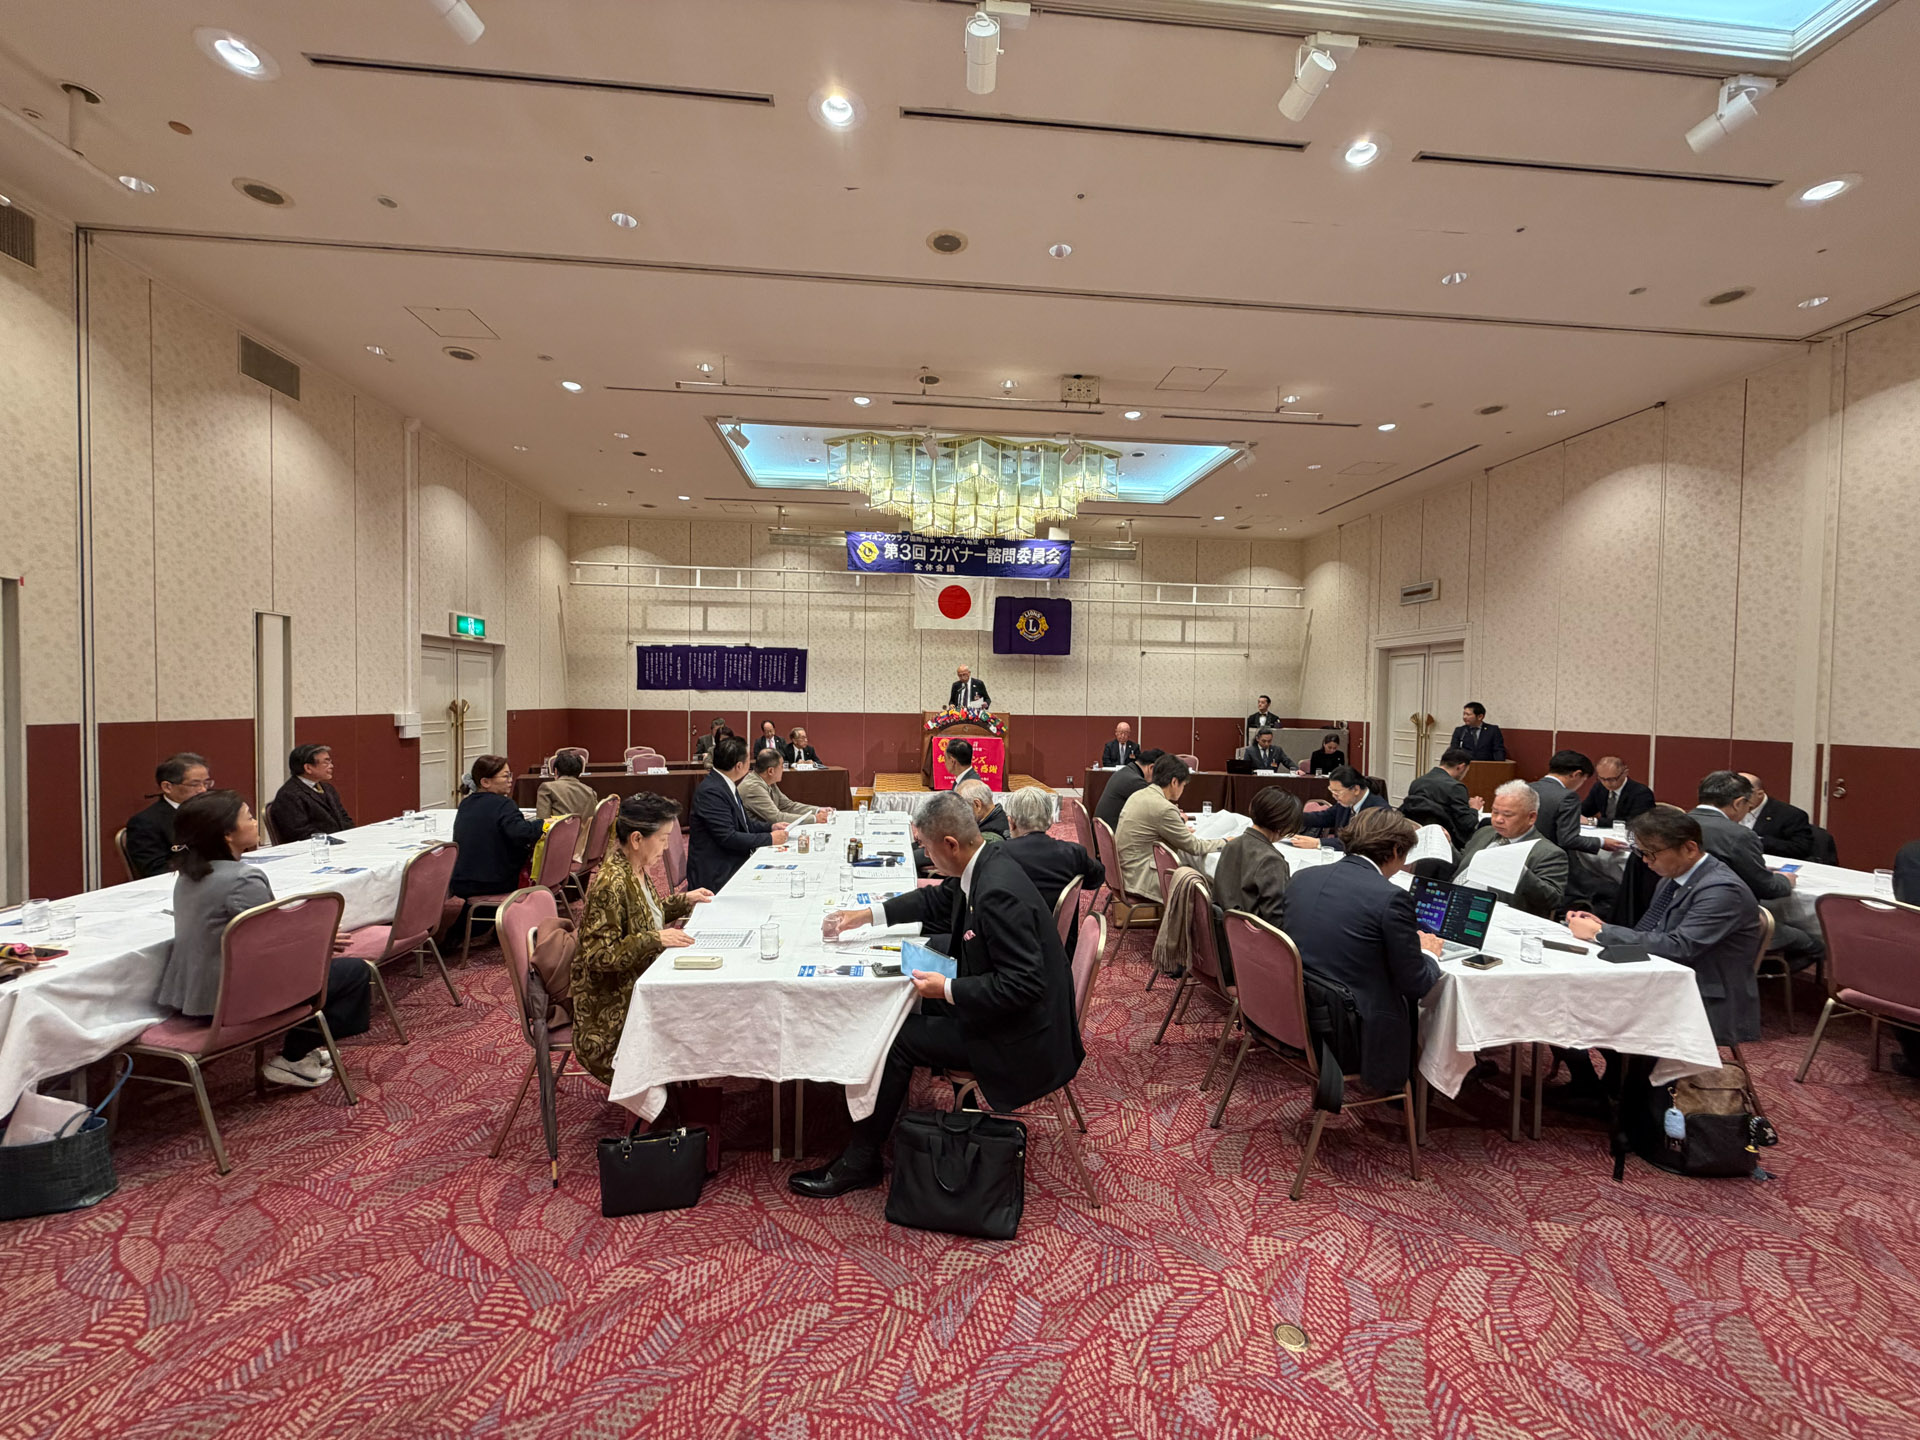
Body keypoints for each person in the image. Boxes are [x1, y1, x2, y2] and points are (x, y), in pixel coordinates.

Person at [793, 792, 1082, 1198]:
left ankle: (861, 1160)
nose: (926, 857)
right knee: (914, 981)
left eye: (927, 849)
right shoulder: (986, 862)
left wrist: (946, 989)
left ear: (949, 844)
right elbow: (934, 899)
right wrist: (866, 916)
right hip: (1014, 1014)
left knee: (895, 1038)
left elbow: (1023, 985)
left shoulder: (997, 891)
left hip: (1022, 1037)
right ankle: (914, 1111)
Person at [156, 789, 370, 1089]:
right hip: (231, 997)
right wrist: (319, 942)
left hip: (194, 991)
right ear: (227, 834)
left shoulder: (189, 873)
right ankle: (294, 1057)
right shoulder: (243, 878)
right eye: (249, 817)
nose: (257, 822)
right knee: (354, 972)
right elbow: (273, 946)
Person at [1566, 807, 1764, 1047]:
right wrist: (1603, 927)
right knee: (1569, 1002)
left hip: (1704, 995)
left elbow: (1680, 947)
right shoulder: (1672, 879)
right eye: (1641, 853)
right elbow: (1652, 934)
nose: (1645, 861)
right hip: (1664, 980)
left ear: (1689, 848)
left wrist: (1602, 933)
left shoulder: (1722, 890)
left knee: (1582, 1010)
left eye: (1651, 853)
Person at [1278, 808, 1442, 1094]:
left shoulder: (1302, 877)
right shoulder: (1391, 898)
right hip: (1352, 1029)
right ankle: (1417, 1093)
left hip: (1297, 1009)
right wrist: (1429, 953)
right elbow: (1416, 983)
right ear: (1396, 850)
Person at [573, 793, 715, 1084]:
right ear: (637, 839)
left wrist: (684, 900)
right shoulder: (611, 883)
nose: (666, 846)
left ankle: (687, 1088)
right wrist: (654, 939)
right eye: (662, 839)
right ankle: (674, 1093)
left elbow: (645, 916)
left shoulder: (633, 867)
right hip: (614, 1004)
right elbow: (599, 955)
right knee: (702, 1007)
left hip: (639, 978)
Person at [1689, 770, 1821, 970]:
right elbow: (1768, 888)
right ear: (1738, 803)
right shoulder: (1739, 835)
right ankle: (1762, 976)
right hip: (1733, 923)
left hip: (1686, 913)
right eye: (1748, 807)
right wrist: (1785, 880)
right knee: (1815, 944)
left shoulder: (1679, 823)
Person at [1115, 755, 1226, 901]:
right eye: (1183, 785)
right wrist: (1225, 841)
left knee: (1189, 870)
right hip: (1140, 878)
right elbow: (1195, 847)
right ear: (1174, 782)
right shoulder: (1164, 808)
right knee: (1202, 887)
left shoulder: (1138, 795)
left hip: (1125, 871)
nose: (1183, 790)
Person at [687, 735, 788, 891]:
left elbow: (744, 824)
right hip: (718, 872)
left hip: (730, 859)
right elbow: (728, 837)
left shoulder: (724, 783)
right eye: (748, 760)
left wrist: (771, 827)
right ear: (739, 766)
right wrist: (769, 838)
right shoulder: (711, 792)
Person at [1454, 780, 1569, 917]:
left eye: (1507, 815)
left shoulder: (1548, 853)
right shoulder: (1485, 833)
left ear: (1531, 817)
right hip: (1454, 904)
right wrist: (1447, 845)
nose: (1498, 819)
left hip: (1492, 916)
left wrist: (1520, 872)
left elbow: (1552, 900)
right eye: (1495, 812)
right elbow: (1461, 864)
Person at [452, 755, 545, 900]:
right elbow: (522, 833)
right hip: (494, 881)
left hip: (462, 879)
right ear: (485, 782)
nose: (510, 780)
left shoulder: (466, 803)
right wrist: (542, 824)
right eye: (505, 776)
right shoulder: (504, 804)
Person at [1000, 785, 1104, 911]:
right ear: (1050, 820)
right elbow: (1097, 878)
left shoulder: (997, 854)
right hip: (1059, 924)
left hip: (1010, 922)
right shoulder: (1074, 853)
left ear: (1011, 823)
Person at [1212, 786, 1299, 924]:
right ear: (1283, 825)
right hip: (1250, 933)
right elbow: (1276, 919)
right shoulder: (1271, 860)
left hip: (1225, 927)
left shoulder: (1232, 844)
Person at [124, 752, 211, 879]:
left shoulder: (212, 811)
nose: (203, 790)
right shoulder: (145, 822)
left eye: (206, 783)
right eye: (194, 784)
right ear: (167, 787)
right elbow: (157, 870)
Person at [1532, 750, 1601, 905]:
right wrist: (1601, 842)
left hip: (1529, 862)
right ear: (1576, 774)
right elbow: (1568, 839)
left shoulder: (1526, 788)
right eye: (1583, 780)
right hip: (1556, 869)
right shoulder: (1567, 796)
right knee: (1611, 890)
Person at [266, 743, 355, 844]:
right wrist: (336, 842)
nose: (331, 766)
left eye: (330, 762)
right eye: (325, 762)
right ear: (308, 768)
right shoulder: (289, 795)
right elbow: (301, 833)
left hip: (338, 843)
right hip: (314, 848)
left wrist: (352, 837)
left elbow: (344, 818)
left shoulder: (328, 789)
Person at [1401, 747, 1483, 848]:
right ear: (1461, 767)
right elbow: (1467, 824)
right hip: (1448, 840)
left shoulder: (1417, 782)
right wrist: (1474, 808)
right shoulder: (1456, 787)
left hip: (1418, 837)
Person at [1293, 766, 1387, 846]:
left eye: (1337, 793)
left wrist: (1318, 843)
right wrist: (1291, 817)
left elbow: (1360, 842)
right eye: (1332, 791)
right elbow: (1324, 817)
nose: (1334, 797)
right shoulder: (1348, 802)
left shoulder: (1379, 810)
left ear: (1356, 790)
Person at [739, 748, 830, 826]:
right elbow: (777, 818)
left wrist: (817, 810)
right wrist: (814, 819)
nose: (783, 769)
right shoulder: (753, 787)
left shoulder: (768, 781)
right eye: (782, 766)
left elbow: (787, 805)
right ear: (770, 771)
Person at [1739, 772, 1815, 860]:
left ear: (1759, 794)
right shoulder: (1728, 806)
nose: (1735, 800)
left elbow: (1800, 848)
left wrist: (1758, 841)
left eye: (1742, 797)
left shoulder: (1791, 815)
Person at [1094, 749, 1162, 834]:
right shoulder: (1135, 781)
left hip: (1102, 833)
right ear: (1151, 768)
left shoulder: (1126, 771)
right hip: (1112, 834)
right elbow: (1159, 811)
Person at [535, 750, 600, 837]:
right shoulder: (590, 791)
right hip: (584, 842)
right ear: (580, 772)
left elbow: (542, 823)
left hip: (558, 841)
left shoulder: (547, 788)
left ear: (555, 771)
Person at [1580, 756, 1655, 825]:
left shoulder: (1641, 793)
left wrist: (1593, 821)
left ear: (1625, 773)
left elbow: (1635, 822)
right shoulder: (1599, 787)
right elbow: (1585, 809)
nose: (1606, 783)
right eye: (1602, 779)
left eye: (1612, 779)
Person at [956, 777, 1009, 842]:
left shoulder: (987, 838)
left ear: (977, 805)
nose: (959, 814)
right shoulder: (1003, 817)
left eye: (961, 807)